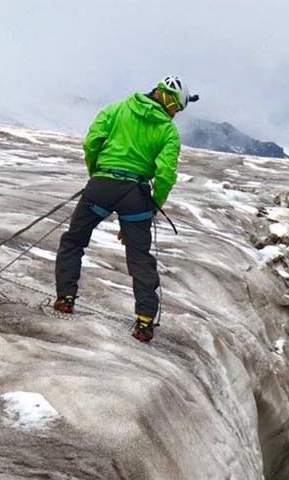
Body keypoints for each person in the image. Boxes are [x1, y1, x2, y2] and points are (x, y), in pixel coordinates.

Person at [51, 76, 197, 343]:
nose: (175, 114)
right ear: (167, 98)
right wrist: (154, 206)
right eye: (177, 107)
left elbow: (92, 142)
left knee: (73, 241)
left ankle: (65, 298)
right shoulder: (167, 131)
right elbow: (165, 175)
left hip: (101, 186)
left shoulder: (116, 108)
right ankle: (144, 322)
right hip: (136, 195)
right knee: (139, 256)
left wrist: (97, 175)